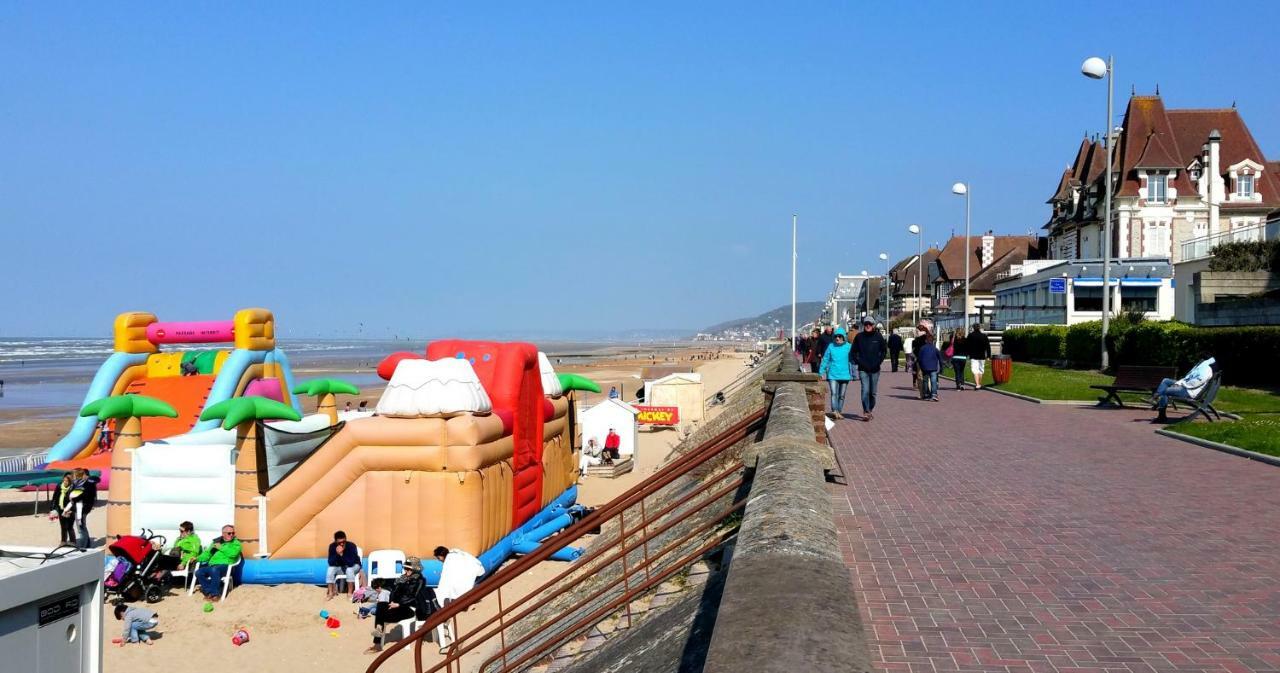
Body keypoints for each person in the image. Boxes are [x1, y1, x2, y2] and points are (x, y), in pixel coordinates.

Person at [367, 556, 436, 654]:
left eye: (409, 569)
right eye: (405, 568)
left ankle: (378, 640)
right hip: (396, 606)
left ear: (415, 569)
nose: (406, 570)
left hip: (409, 608)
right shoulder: (402, 578)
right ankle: (378, 633)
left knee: (380, 614)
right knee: (381, 605)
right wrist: (379, 583)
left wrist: (398, 604)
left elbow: (413, 596)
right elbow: (391, 585)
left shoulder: (419, 580)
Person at [433, 546, 485, 654]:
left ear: (440, 556)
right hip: (471, 576)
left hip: (458, 588)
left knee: (445, 593)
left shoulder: (449, 560)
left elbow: (446, 579)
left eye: (439, 558)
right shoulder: (457, 555)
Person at [1151, 356, 1218, 423]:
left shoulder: (1206, 370)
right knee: (1166, 381)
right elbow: (1187, 379)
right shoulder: (1202, 368)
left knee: (1165, 392)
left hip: (1189, 391)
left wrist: (1180, 385)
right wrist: (1179, 384)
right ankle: (1157, 397)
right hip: (1185, 386)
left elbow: (1195, 383)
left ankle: (1161, 416)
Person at [850, 319, 887, 422]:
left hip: (875, 369)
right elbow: (853, 352)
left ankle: (869, 409)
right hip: (863, 369)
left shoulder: (878, 336)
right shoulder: (859, 337)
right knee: (865, 390)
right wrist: (859, 362)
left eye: (870, 324)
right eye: (866, 324)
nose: (868, 326)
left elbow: (884, 351)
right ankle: (866, 411)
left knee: (873, 392)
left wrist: (879, 362)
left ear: (873, 325)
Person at [194, 524, 242, 600]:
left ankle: (215, 594)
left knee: (214, 570)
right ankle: (209, 592)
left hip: (226, 566)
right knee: (198, 572)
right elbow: (207, 554)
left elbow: (233, 554)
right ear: (223, 534)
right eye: (229, 533)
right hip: (213, 566)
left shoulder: (236, 543)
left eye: (233, 533)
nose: (232, 535)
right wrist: (197, 558)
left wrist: (221, 547)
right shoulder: (216, 542)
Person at [818, 328, 855, 419]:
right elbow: (825, 359)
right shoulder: (831, 346)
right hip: (833, 374)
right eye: (836, 336)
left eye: (839, 336)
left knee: (842, 395)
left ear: (843, 337)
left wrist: (854, 373)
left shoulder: (848, 347)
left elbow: (853, 359)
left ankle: (839, 411)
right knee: (834, 393)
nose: (837, 338)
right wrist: (821, 371)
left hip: (845, 375)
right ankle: (834, 411)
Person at [67, 468, 99, 550]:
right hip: (78, 507)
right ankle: (87, 543)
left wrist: (73, 499)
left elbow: (84, 495)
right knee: (81, 526)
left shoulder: (89, 483)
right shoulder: (78, 483)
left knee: (81, 528)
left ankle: (83, 546)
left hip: (83, 508)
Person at [326, 530, 363, 599]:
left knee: (349, 570)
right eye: (340, 542)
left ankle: (350, 593)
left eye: (343, 542)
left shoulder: (351, 546)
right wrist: (337, 554)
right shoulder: (332, 546)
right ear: (335, 541)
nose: (342, 544)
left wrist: (341, 554)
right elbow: (330, 562)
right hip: (341, 566)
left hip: (354, 565)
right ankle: (330, 593)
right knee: (330, 569)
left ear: (346, 539)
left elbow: (350, 563)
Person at [51, 473, 76, 546]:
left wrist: (72, 509)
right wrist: (52, 508)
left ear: (70, 481)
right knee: (63, 526)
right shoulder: (59, 486)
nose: (65, 482)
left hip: (69, 510)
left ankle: (73, 541)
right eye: (64, 480)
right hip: (61, 509)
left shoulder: (72, 488)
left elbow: (74, 500)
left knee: (70, 526)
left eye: (67, 481)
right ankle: (63, 541)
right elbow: (55, 497)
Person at [916, 334, 943, 402]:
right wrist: (941, 367)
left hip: (924, 367)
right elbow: (940, 358)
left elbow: (919, 359)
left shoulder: (922, 348)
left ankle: (926, 394)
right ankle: (934, 394)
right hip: (933, 368)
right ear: (933, 341)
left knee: (925, 381)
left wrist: (921, 366)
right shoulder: (935, 349)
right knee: (933, 381)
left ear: (926, 341)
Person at [965, 324, 991, 389]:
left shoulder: (970, 336)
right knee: (981, 370)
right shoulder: (984, 336)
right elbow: (988, 347)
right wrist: (988, 356)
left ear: (973, 328)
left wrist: (966, 354)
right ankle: (979, 384)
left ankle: (977, 384)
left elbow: (967, 346)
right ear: (979, 328)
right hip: (982, 356)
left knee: (975, 370)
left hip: (973, 356)